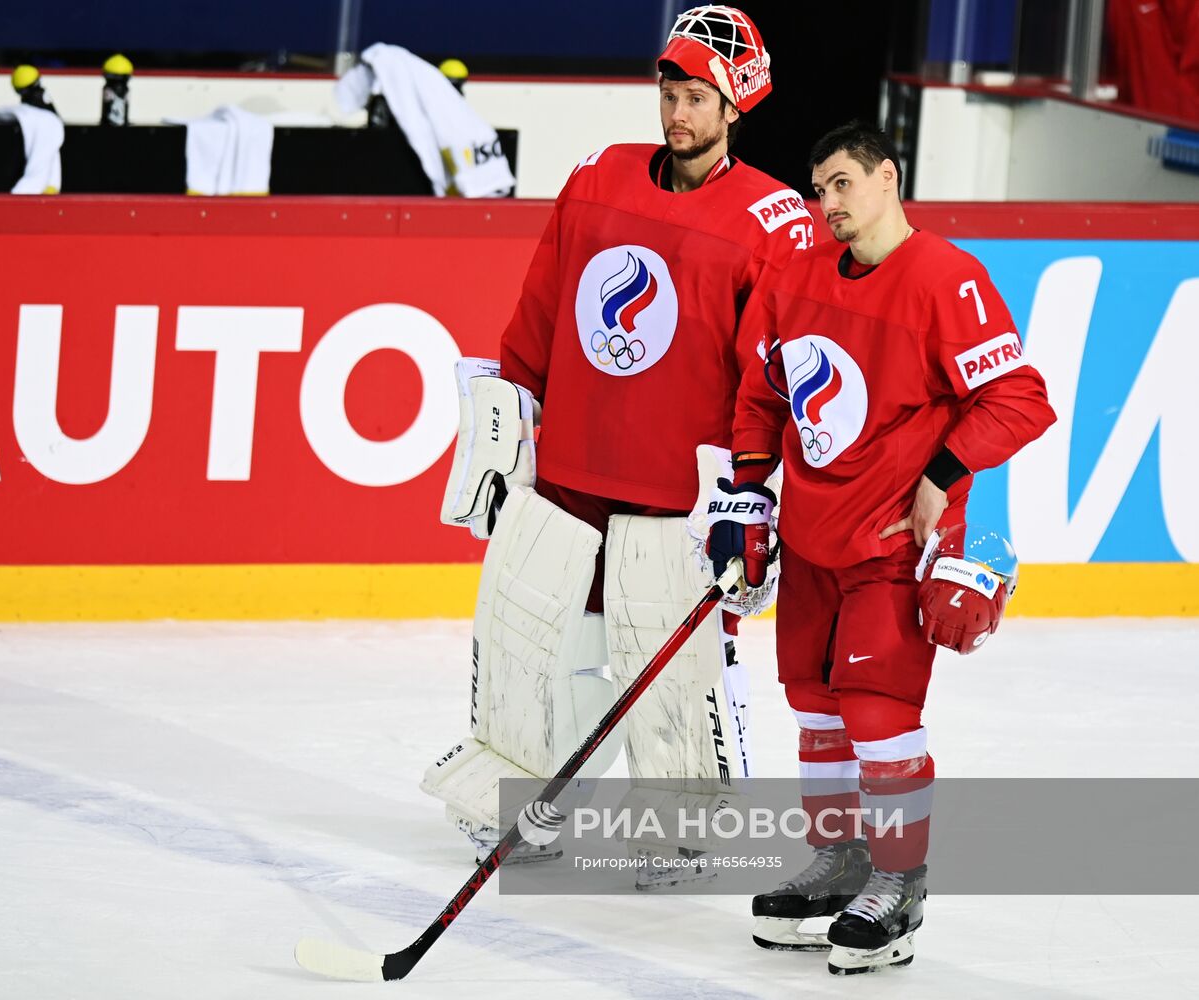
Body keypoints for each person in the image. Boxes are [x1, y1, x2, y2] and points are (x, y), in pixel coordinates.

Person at [425, 4, 812, 887]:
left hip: (677, 491)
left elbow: (769, 378)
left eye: (697, 99)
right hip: (570, 472)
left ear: (735, 106)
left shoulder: (772, 220)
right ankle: (526, 803)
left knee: (669, 668)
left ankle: (682, 830)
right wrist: (508, 407)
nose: (677, 114)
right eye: (669, 92)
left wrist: (750, 494)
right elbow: (540, 311)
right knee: (532, 643)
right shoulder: (597, 179)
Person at [706, 121, 1056, 973]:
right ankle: (841, 861)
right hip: (813, 537)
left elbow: (1020, 397)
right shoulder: (797, 275)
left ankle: (898, 881)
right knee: (816, 710)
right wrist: (749, 496)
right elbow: (761, 394)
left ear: (888, 177)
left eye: (843, 184)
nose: (828, 204)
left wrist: (942, 473)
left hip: (894, 542)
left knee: (878, 717)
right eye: (818, 188)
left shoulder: (946, 278)